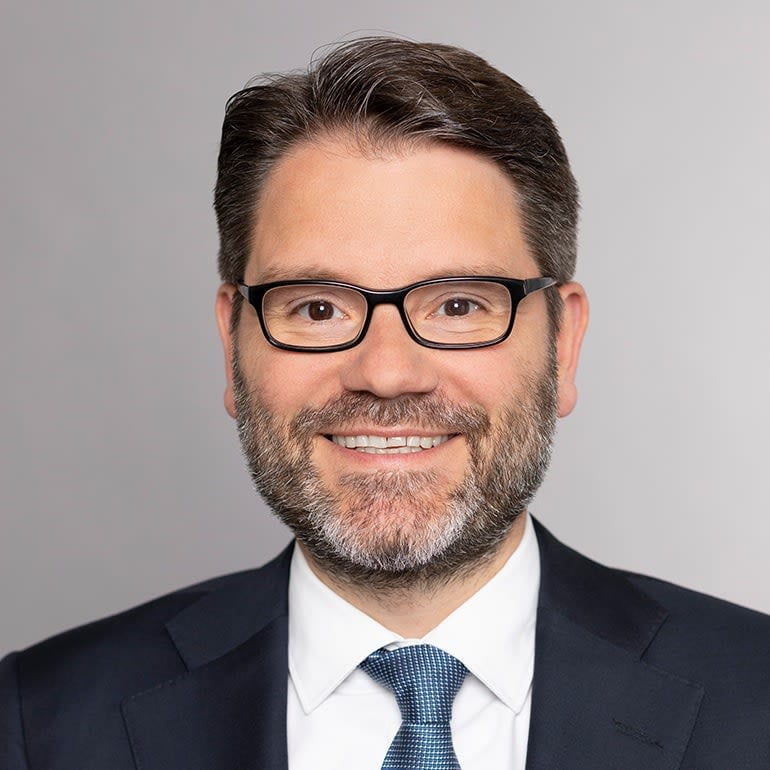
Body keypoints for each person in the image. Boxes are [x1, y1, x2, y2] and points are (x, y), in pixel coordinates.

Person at [1, 36, 769, 770]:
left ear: (563, 344)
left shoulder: (754, 698)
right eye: (317, 309)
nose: (388, 373)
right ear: (232, 345)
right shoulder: (39, 724)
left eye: (460, 305)